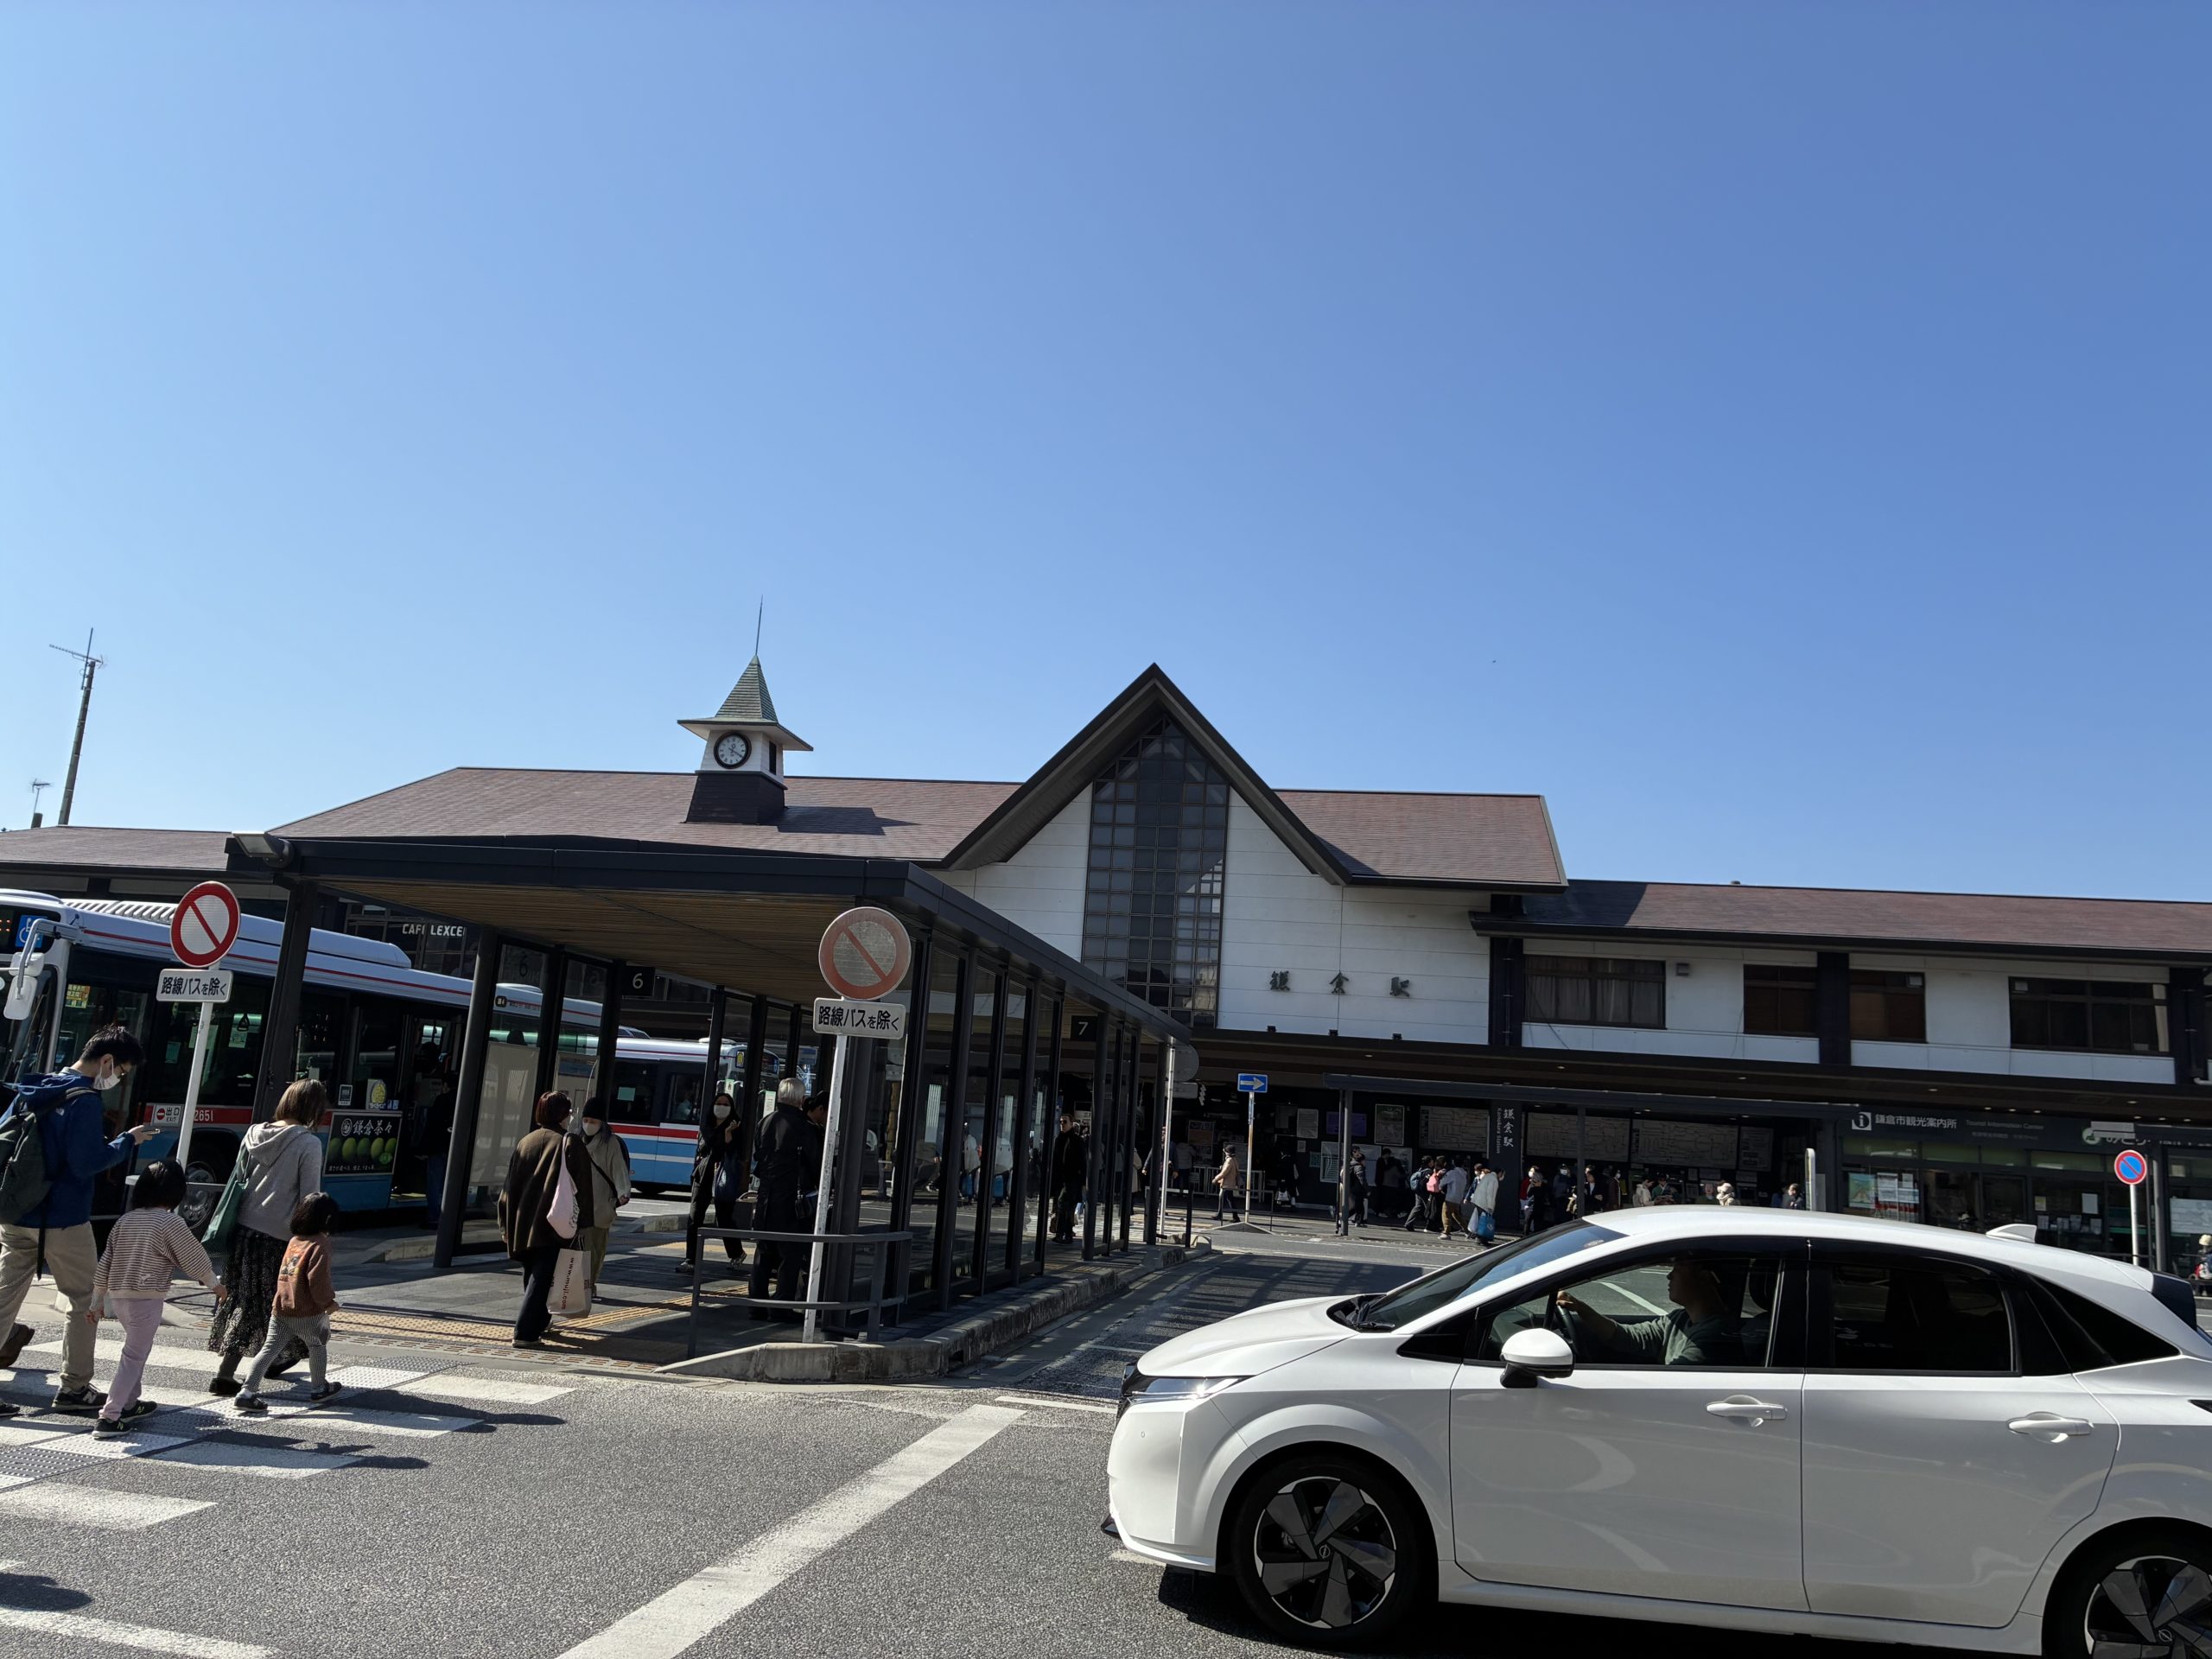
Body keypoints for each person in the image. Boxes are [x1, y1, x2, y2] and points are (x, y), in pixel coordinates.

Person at [0, 1026, 158, 1415]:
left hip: (15, 1212)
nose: (116, 1078)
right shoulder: (84, 1100)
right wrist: (127, 1141)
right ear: (107, 1060)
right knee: (85, 1299)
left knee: (3, 1298)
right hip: (63, 1219)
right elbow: (87, 1162)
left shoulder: (35, 1087)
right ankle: (74, 1388)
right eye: (120, 1071)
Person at [207, 1079, 328, 1395]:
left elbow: (240, 1180)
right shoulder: (308, 1143)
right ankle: (248, 1369)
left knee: (242, 1299)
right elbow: (310, 1198)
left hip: (243, 1230)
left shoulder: (253, 1134)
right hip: (279, 1236)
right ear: (314, 1109)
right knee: (281, 1303)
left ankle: (241, 1368)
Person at [87, 1160, 220, 1436]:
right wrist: (214, 1284)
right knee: (134, 1356)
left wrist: (97, 1301)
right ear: (176, 1191)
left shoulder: (125, 1220)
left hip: (119, 1297)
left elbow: (106, 1262)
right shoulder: (170, 1221)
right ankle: (110, 1416)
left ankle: (129, 1404)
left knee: (137, 1351)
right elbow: (192, 1257)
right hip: (146, 1299)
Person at [498, 1091, 594, 1349]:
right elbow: (583, 1186)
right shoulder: (569, 1142)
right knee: (543, 1277)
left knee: (532, 1273)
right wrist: (583, 1222)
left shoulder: (526, 1141)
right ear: (563, 1115)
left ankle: (539, 1324)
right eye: (568, 1112)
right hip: (553, 1222)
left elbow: (509, 1186)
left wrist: (504, 1223)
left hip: (522, 1222)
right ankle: (525, 1332)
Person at [234, 1192, 343, 1414]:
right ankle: (319, 1388)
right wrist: (328, 1303)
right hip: (307, 1310)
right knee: (317, 1345)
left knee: (268, 1350)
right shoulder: (320, 1244)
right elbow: (318, 1280)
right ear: (327, 1219)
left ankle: (247, 1392)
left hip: (282, 1306)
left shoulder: (294, 1241)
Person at [1558, 1257, 1740, 1366]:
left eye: (1678, 1267)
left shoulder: (1714, 1336)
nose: (1669, 1275)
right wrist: (1580, 1308)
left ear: (1705, 1277)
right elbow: (1629, 1336)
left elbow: (1675, 1381)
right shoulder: (1679, 1319)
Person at [747, 1079, 814, 1315]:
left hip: (766, 1197)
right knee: (790, 1254)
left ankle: (755, 1306)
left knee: (764, 1252)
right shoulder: (804, 1126)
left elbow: (758, 1156)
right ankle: (781, 1308)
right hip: (791, 1200)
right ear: (801, 1100)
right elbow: (814, 1163)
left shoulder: (765, 1122)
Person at [683, 1091, 743, 1275]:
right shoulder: (706, 1126)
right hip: (703, 1175)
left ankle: (737, 1253)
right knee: (695, 1217)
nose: (722, 1107)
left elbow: (733, 1152)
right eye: (719, 1103)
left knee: (724, 1218)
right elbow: (703, 1149)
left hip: (723, 1177)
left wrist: (727, 1135)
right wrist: (721, 1138)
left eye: (726, 1104)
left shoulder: (735, 1127)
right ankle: (690, 1259)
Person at [579, 1101, 635, 1284]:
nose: (588, 1124)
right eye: (586, 1120)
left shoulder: (611, 1143)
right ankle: (579, 1286)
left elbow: (619, 1168)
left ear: (602, 1123)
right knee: (577, 1250)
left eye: (593, 1121)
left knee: (595, 1250)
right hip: (578, 1205)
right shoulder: (575, 1140)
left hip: (601, 1205)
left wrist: (623, 1191)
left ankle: (589, 1284)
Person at [418, 1075, 456, 1233]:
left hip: (438, 1148)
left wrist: (423, 1149)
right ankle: (448, 1217)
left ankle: (433, 1216)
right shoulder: (466, 1099)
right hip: (456, 1150)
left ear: (445, 1085)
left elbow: (431, 1126)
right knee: (450, 1184)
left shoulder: (441, 1100)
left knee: (434, 1182)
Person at [1049, 1108, 1086, 1243]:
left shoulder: (1077, 1140)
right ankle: (1067, 1234)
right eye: (1060, 1122)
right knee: (1065, 1207)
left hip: (1072, 1179)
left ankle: (1061, 1233)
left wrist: (1083, 1181)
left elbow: (1082, 1161)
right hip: (1060, 1179)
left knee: (1062, 1204)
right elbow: (1054, 1161)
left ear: (1071, 1124)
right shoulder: (1058, 1139)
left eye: (1065, 1122)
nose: (1062, 1124)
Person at [1439, 1159, 1471, 1240]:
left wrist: (1440, 1186)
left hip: (1450, 1197)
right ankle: (1468, 1231)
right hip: (1458, 1198)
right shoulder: (1464, 1174)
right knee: (1456, 1215)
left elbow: (1443, 1182)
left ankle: (1446, 1233)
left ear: (1454, 1163)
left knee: (1446, 1214)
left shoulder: (1452, 1173)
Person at [1470, 1159, 1500, 1243]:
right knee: (1484, 1221)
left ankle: (1479, 1237)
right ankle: (1482, 1238)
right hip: (1484, 1203)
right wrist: (1490, 1207)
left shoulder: (1488, 1176)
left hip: (1478, 1202)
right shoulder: (1493, 1179)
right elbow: (1490, 1194)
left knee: (1481, 1220)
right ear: (1500, 1173)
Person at [1213, 1146, 1243, 1222]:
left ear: (1228, 1152)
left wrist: (1216, 1179)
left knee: (1222, 1199)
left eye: (1226, 1151)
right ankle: (1235, 1216)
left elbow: (1224, 1172)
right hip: (1231, 1183)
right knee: (1230, 1200)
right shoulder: (1234, 1160)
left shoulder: (1229, 1160)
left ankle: (1220, 1215)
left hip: (1227, 1183)